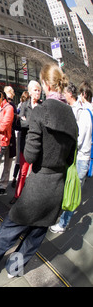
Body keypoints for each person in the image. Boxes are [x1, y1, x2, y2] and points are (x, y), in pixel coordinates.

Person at [0, 64, 77, 278]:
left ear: (46, 84)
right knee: (36, 234)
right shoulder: (71, 115)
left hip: (38, 184)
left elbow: (29, 156)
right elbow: (69, 157)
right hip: (57, 185)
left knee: (11, 227)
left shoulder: (40, 111)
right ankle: (14, 269)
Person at [51, 81, 93, 233]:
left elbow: (79, 139)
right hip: (77, 157)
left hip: (80, 159)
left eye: (64, 93)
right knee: (69, 190)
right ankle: (61, 219)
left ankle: (63, 223)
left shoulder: (83, 112)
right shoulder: (79, 110)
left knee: (72, 192)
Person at [10, 80, 42, 204]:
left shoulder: (42, 106)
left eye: (39, 90)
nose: (38, 92)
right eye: (35, 90)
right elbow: (20, 123)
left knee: (34, 174)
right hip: (25, 144)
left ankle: (32, 199)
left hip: (37, 145)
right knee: (22, 173)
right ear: (29, 91)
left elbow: (41, 125)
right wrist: (32, 122)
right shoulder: (24, 105)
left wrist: (27, 120)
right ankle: (17, 195)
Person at [0, 86, 18, 195]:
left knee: (7, 164)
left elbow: (4, 126)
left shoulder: (9, 107)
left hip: (8, 140)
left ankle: (3, 185)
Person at [11, 91, 30, 188]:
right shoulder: (22, 108)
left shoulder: (20, 107)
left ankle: (15, 178)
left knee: (19, 159)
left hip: (21, 135)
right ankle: (16, 179)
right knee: (21, 159)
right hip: (23, 135)